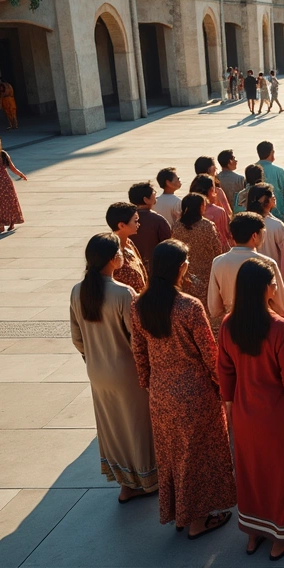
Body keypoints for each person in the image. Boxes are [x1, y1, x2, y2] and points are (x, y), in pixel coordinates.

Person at [130, 240, 237, 538]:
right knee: (199, 456)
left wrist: (148, 384)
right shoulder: (188, 306)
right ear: (181, 268)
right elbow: (210, 354)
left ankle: (180, 513)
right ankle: (197, 521)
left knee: (172, 456)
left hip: (161, 392)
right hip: (194, 393)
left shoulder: (139, 305)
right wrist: (224, 388)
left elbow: (139, 352)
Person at [217, 258, 284, 560]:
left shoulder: (228, 324)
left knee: (252, 474)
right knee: (281, 475)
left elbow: (225, 371)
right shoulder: (279, 327)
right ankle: (282, 540)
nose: (276, 287)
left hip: (245, 413)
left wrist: (230, 406)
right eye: (273, 283)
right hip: (277, 415)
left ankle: (253, 535)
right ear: (263, 289)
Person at [70, 233, 158, 503]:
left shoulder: (77, 291)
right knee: (137, 426)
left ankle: (124, 483)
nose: (122, 255)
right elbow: (137, 339)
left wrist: (94, 357)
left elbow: (77, 338)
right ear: (111, 259)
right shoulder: (123, 293)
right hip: (126, 371)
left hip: (97, 370)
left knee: (112, 427)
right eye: (118, 252)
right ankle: (147, 480)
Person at [208, 213, 284, 325]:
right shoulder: (267, 263)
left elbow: (214, 308)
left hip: (233, 323)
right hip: (263, 323)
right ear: (254, 236)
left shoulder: (218, 262)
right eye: (263, 233)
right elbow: (282, 307)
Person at [172, 193, 228, 303]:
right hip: (206, 272)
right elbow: (217, 249)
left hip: (184, 271)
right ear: (200, 207)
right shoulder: (207, 225)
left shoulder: (177, 225)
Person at [104, 202, 148, 294]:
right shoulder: (113, 252)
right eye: (135, 221)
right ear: (121, 225)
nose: (138, 224)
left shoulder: (129, 242)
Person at [126, 182, 171, 270]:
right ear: (146, 200)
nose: (155, 195)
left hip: (130, 264)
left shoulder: (125, 219)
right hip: (153, 267)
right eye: (154, 193)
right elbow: (168, 245)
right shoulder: (158, 220)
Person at [243, 184, 284, 266]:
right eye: (270, 195)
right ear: (263, 200)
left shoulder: (244, 222)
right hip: (272, 270)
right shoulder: (276, 225)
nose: (274, 197)